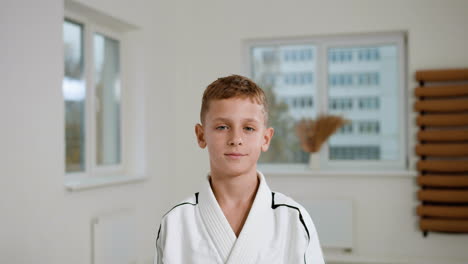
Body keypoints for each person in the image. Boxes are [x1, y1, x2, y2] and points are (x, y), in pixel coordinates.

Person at [154, 75, 324, 264]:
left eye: (248, 128)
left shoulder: (293, 219)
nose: (236, 139)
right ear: (201, 136)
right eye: (222, 127)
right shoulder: (176, 222)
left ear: (265, 139)